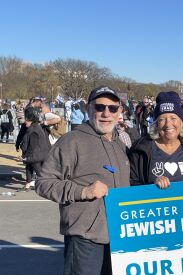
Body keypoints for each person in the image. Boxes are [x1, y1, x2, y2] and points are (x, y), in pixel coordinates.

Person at [35, 86, 130, 275]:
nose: (106, 113)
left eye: (112, 108)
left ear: (120, 112)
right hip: (85, 238)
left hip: (119, 237)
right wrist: (83, 191)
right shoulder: (72, 141)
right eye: (99, 107)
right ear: (88, 109)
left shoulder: (120, 143)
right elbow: (43, 182)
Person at [129, 91, 183, 186]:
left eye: (173, 118)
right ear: (156, 124)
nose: (168, 124)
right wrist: (152, 185)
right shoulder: (141, 149)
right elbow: (132, 184)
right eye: (162, 119)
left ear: (181, 122)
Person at [19, 106, 51, 191]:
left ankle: (46, 187)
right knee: (28, 168)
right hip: (34, 154)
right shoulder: (32, 127)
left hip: (36, 155)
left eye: (26, 119)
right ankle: (27, 185)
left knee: (38, 171)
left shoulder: (35, 129)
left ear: (30, 119)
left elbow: (32, 146)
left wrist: (24, 156)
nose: (24, 121)